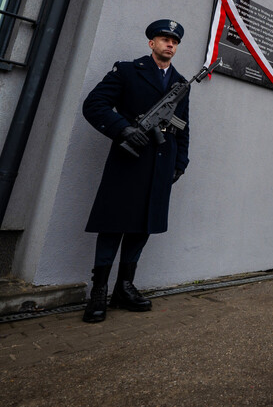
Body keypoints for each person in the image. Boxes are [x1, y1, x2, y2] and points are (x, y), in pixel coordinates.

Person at [80, 19, 190, 323]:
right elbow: (95, 104)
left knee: (143, 225)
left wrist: (180, 163)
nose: (170, 44)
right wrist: (123, 129)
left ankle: (124, 287)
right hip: (129, 159)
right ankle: (99, 290)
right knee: (113, 224)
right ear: (151, 43)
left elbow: (183, 127)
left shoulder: (181, 83)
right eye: (164, 39)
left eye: (174, 41)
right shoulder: (128, 71)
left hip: (161, 163)